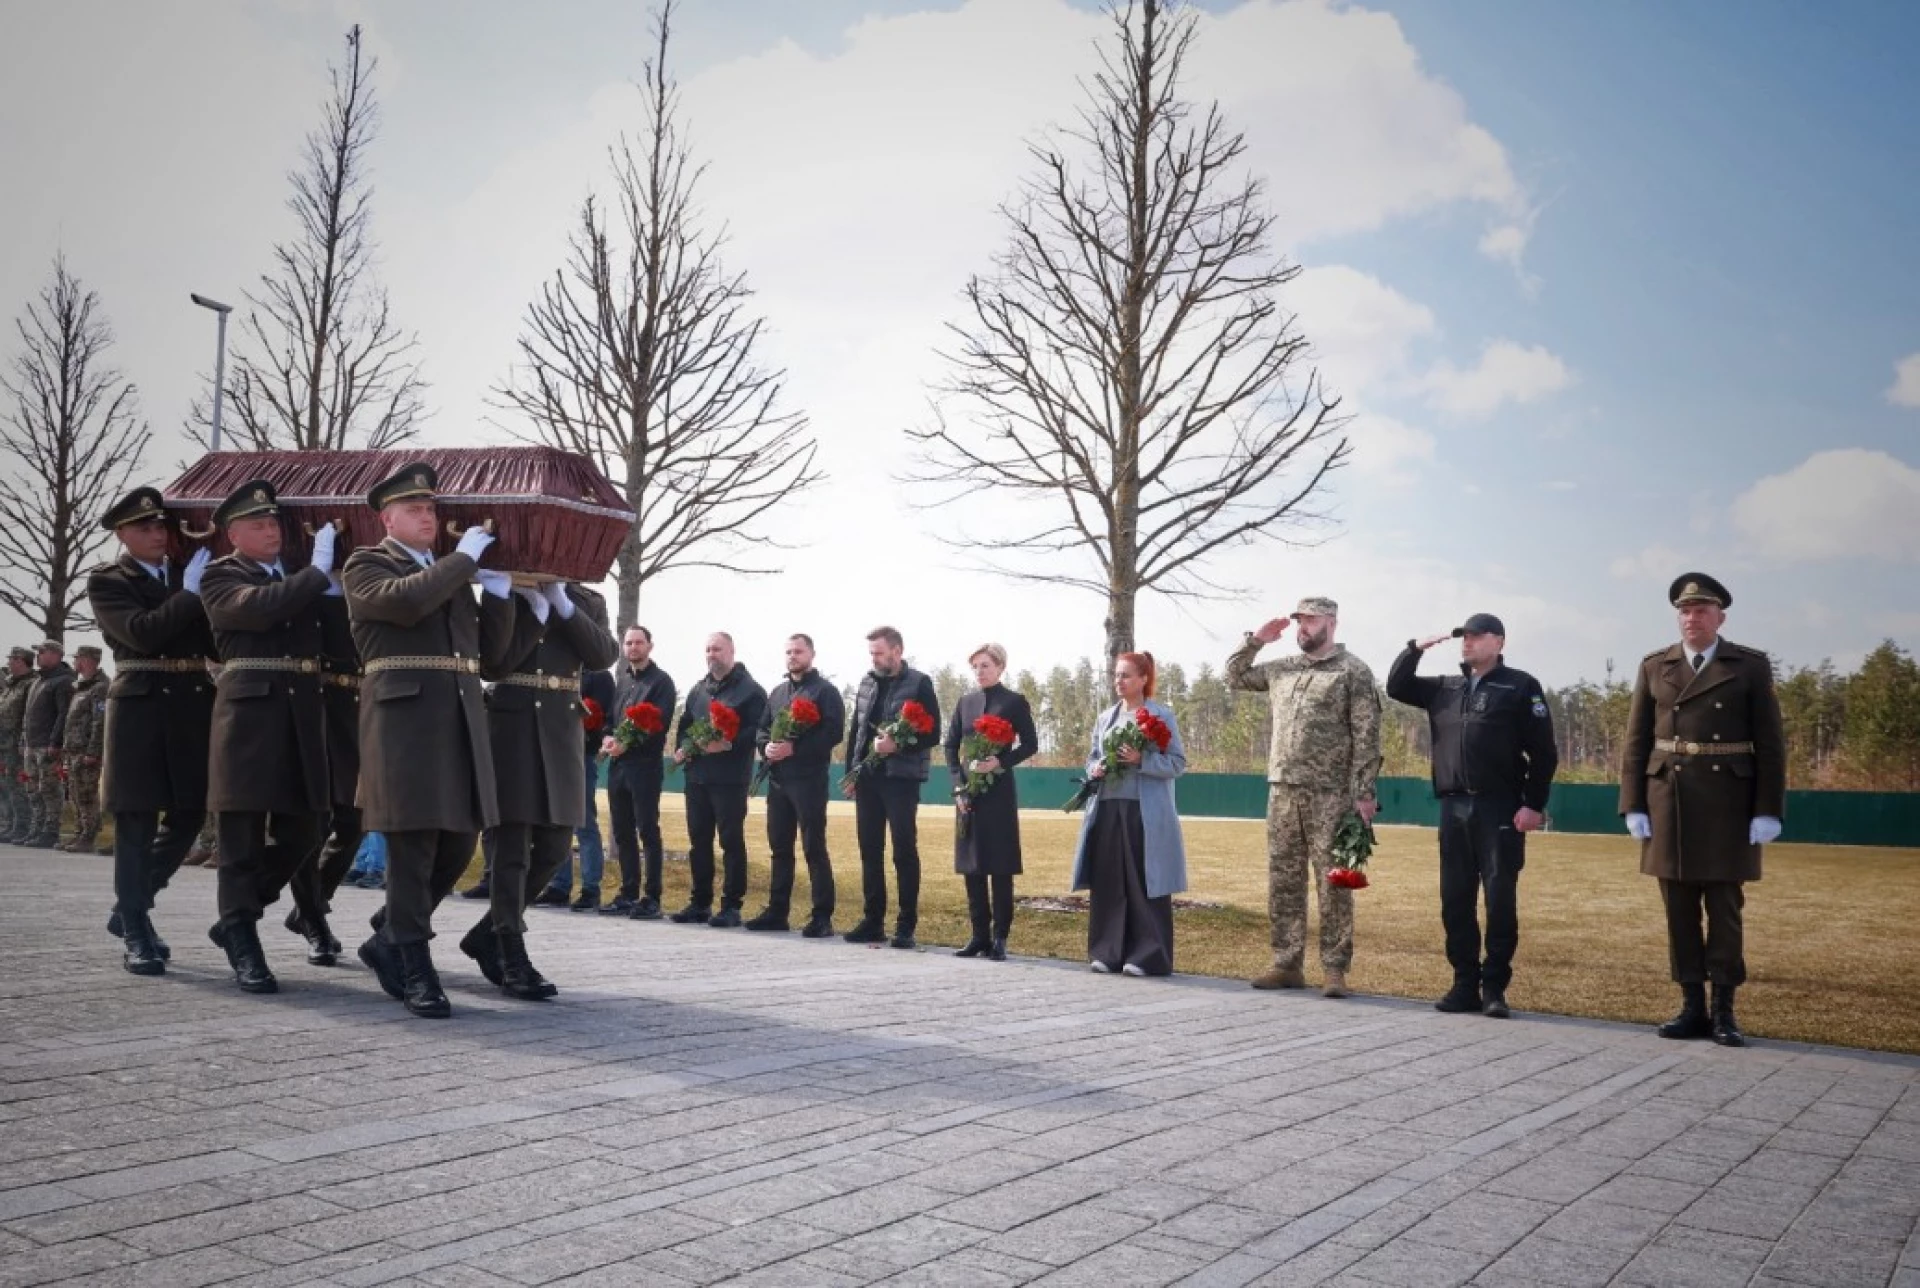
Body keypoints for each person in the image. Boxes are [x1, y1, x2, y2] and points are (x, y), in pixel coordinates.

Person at [340, 462, 521, 1018]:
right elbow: (404, 602)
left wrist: (500, 597)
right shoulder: (367, 564)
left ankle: (392, 935)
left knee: (459, 842)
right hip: (404, 725)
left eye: (431, 509)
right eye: (414, 509)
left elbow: (493, 657)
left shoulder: (449, 574)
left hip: (459, 720)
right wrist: (464, 561)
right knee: (413, 847)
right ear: (386, 518)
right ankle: (414, 963)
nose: (427, 517)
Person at [1621, 573, 1785, 1049]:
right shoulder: (1656, 666)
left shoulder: (1749, 666)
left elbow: (1771, 746)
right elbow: (1636, 742)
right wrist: (1632, 802)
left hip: (1729, 804)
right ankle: (1691, 1006)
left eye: (1702, 611)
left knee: (1725, 909)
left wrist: (1767, 809)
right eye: (1685, 611)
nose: (1692, 618)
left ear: (1720, 617)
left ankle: (1724, 1011)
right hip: (1668, 799)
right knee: (1677, 909)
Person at [197, 480, 336, 993]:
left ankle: (236, 917)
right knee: (242, 839)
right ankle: (244, 939)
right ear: (233, 533)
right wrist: (317, 574)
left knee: (308, 828)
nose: (270, 530)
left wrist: (332, 585)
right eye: (258, 523)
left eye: (275, 522)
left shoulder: (299, 579)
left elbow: (335, 639)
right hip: (249, 720)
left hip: (301, 714)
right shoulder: (219, 577)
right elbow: (258, 608)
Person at [1386, 613, 1559, 1018]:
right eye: (1465, 636)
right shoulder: (1446, 688)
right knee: (1455, 900)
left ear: (1498, 642)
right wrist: (1414, 649)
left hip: (1499, 805)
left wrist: (1532, 803)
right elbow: (1397, 687)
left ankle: (1494, 987)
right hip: (1453, 806)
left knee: (1499, 899)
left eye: (1478, 636)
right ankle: (1464, 983)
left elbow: (1544, 752)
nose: (1468, 642)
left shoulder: (1519, 686)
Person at [86, 485, 217, 975]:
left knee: (189, 815)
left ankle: (130, 906)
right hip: (140, 705)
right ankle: (138, 930)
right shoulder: (108, 580)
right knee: (136, 824)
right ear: (122, 534)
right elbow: (142, 632)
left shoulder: (190, 576)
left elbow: (212, 641)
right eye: (145, 527)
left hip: (191, 704)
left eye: (161, 525)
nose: (157, 534)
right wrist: (191, 594)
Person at [465, 580, 617, 999]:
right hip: (511, 724)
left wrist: (563, 606)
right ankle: (511, 949)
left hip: (561, 727)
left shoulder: (588, 600)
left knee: (554, 845)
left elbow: (603, 655)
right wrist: (534, 609)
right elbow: (492, 662)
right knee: (510, 848)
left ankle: (487, 933)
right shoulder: (506, 590)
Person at [1226, 596, 1382, 998]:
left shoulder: (1353, 672)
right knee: (1283, 879)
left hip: (1331, 793)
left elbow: (1366, 735)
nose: (1302, 628)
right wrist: (1256, 640)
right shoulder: (1283, 669)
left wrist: (1364, 791)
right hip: (1282, 790)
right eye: (1299, 621)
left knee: (1333, 882)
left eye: (1310, 621)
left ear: (1331, 622)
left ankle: (1334, 969)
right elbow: (1234, 676)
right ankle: (1286, 963)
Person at [1069, 651, 1187, 976]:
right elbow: (1091, 758)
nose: (1118, 681)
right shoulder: (1105, 717)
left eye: (1126, 676)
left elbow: (1177, 764)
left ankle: (1148, 956)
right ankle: (1108, 953)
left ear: (1143, 679)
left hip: (1143, 813)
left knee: (1143, 882)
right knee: (1108, 881)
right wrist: (1095, 768)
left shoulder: (1161, 716)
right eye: (1116, 675)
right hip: (1107, 809)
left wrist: (1141, 760)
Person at [841, 626, 940, 949]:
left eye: (879, 652)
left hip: (901, 780)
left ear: (897, 651)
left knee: (903, 851)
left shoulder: (920, 683)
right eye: (871, 653)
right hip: (868, 779)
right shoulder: (867, 682)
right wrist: (851, 774)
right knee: (870, 850)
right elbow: (856, 730)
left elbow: (933, 733)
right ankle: (873, 921)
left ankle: (905, 925)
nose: (874, 658)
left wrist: (897, 746)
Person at [284, 578, 365, 964]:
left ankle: (311, 906)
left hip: (356, 710)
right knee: (311, 825)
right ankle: (314, 920)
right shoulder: (303, 582)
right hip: (312, 709)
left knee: (354, 821)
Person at [944, 644, 1039, 961]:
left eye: (985, 665)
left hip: (998, 794)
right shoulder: (965, 703)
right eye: (975, 666)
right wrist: (959, 789)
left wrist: (999, 762)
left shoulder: (1013, 702)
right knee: (972, 867)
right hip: (968, 794)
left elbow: (1031, 744)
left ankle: (1000, 937)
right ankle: (978, 936)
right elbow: (950, 747)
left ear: (1000, 667)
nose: (980, 671)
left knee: (999, 866)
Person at [750, 633, 846, 936]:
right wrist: (765, 747)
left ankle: (822, 916)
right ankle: (777, 912)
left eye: (799, 651)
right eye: (789, 651)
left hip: (808, 780)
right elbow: (761, 729)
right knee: (779, 847)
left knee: (813, 847)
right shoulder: (777, 692)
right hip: (778, 781)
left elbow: (833, 733)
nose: (793, 656)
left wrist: (795, 748)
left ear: (812, 655)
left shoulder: (825, 692)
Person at [669, 632, 766, 927]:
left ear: (732, 651)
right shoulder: (699, 690)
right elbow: (686, 726)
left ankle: (732, 906)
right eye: (708, 649)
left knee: (731, 841)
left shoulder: (751, 691)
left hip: (730, 779)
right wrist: (683, 747)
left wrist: (728, 743)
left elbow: (758, 731)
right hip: (697, 777)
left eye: (718, 649)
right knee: (699, 841)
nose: (712, 654)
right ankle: (700, 903)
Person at [600, 626, 675, 920]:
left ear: (650, 646)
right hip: (618, 768)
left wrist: (626, 743)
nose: (633, 647)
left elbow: (659, 726)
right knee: (622, 832)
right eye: (628, 643)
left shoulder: (661, 683)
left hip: (644, 767)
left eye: (638, 642)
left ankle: (652, 897)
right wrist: (608, 738)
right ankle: (628, 893)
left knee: (647, 830)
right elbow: (609, 720)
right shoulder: (623, 682)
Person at [539, 660, 616, 912]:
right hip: (554, 752)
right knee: (556, 822)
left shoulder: (600, 676)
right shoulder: (559, 668)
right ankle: (559, 886)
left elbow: (599, 715)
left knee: (583, 822)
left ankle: (590, 889)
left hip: (583, 755)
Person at [20, 641, 75, 848]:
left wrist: (56, 741)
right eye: (38, 653)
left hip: (48, 745)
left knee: (49, 788)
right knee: (33, 788)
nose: (38, 656)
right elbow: (27, 714)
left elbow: (63, 714)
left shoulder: (63, 681)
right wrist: (23, 740)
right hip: (32, 743)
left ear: (56, 655)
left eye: (42, 652)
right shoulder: (38, 681)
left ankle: (51, 830)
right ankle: (37, 828)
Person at [59, 645, 109, 854]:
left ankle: (88, 835)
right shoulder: (82, 687)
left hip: (86, 751)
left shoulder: (100, 687)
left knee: (87, 793)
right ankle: (79, 832)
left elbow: (100, 721)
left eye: (78, 657)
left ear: (88, 660)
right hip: (73, 750)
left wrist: (93, 751)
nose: (75, 661)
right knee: (76, 794)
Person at [0, 647, 32, 843]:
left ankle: (22, 825)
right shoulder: (11, 685)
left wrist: (23, 741)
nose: (10, 662)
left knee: (18, 786)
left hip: (17, 744)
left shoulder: (29, 684)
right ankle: (11, 823)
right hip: (4, 744)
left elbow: (29, 717)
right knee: (7, 786)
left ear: (22, 661)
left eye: (13, 659)